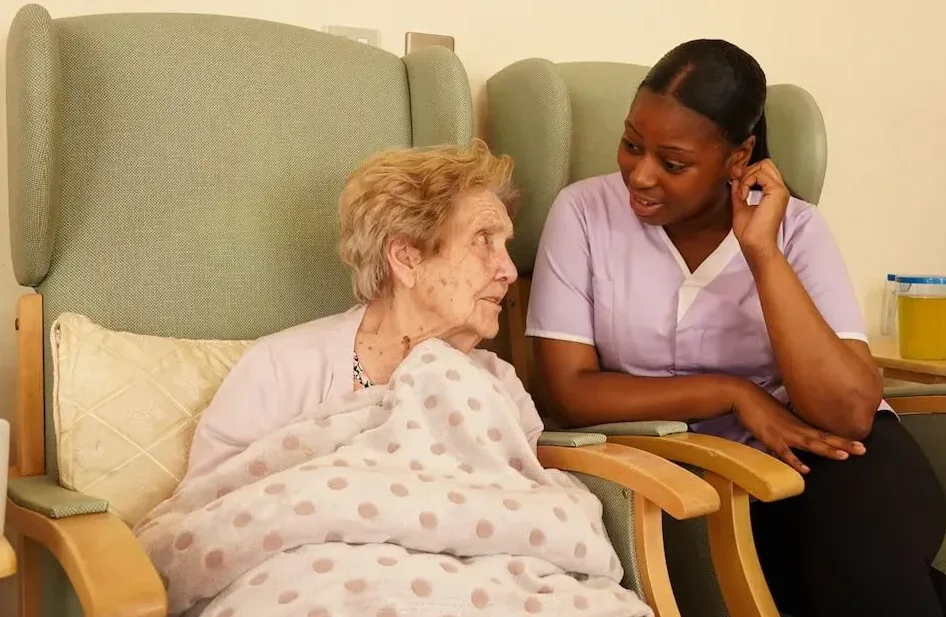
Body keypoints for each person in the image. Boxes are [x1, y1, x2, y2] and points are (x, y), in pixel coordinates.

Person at [526, 39, 946, 617]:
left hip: (836, 459)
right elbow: (569, 392)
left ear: (738, 155)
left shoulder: (795, 229)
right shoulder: (582, 214)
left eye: (673, 163)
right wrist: (733, 393)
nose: (640, 176)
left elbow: (850, 413)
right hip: (702, 475)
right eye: (630, 145)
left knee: (863, 560)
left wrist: (762, 252)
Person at [163, 140, 648, 617]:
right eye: (483, 240)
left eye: (505, 246)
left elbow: (523, 512)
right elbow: (213, 522)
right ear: (407, 258)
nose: (506, 269)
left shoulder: (498, 385)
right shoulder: (284, 365)